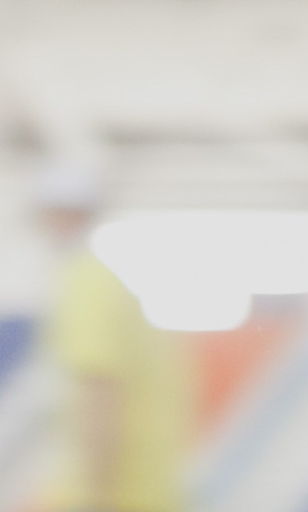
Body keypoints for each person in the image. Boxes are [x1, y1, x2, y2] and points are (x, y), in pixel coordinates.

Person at [34, 163, 195, 512]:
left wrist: (95, 498)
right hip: (150, 491)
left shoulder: (86, 285)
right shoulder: (113, 286)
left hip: (116, 495)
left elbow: (99, 391)